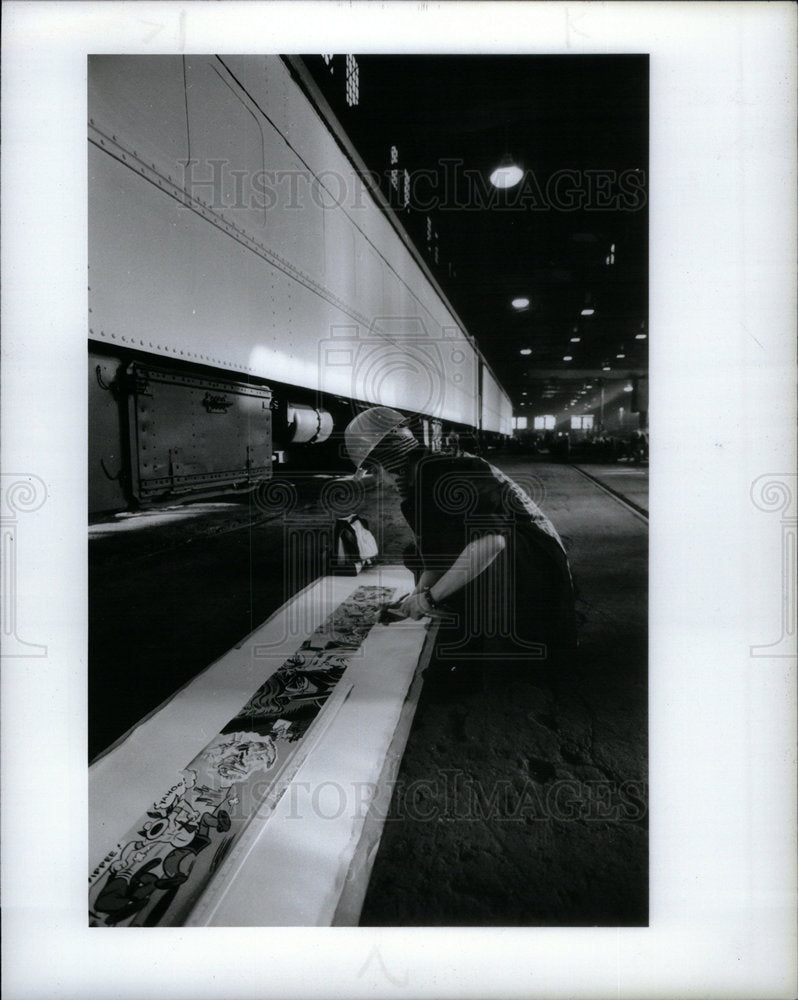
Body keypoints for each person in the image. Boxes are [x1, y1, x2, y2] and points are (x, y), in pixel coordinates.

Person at [344, 407, 576, 680]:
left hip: (539, 568)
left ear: (390, 461)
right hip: (524, 559)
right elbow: (435, 556)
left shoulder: (445, 475)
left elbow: (493, 542)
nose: (381, 482)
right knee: (416, 555)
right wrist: (415, 598)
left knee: (469, 559)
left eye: (376, 471)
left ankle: (469, 662)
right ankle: (468, 632)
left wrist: (431, 597)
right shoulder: (424, 480)